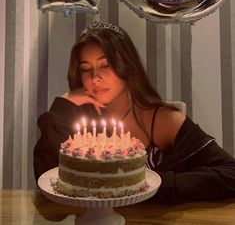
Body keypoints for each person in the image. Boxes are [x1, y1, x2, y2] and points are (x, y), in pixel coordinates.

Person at [34, 20, 235, 203]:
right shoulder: (82, 124)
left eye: (106, 65)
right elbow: (49, 182)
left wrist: (155, 185)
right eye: (86, 69)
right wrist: (63, 103)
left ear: (127, 65)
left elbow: (230, 173)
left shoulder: (163, 122)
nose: (95, 77)